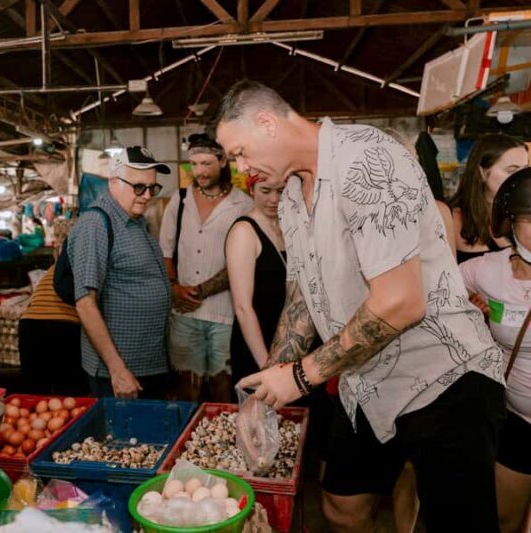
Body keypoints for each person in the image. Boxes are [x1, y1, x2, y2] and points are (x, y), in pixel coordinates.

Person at [216, 80, 505, 533]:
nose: (241, 168)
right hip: (369, 382)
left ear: (267, 123)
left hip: (444, 379)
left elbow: (401, 302)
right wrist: (267, 390)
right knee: (342, 507)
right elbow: (302, 297)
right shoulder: (291, 195)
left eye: (239, 152)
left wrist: (299, 376)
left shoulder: (365, 158)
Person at [460, 167, 531, 533]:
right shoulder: (486, 272)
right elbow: (434, 293)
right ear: (508, 223)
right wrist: (469, 314)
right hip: (517, 423)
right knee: (504, 519)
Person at [68, 146, 171, 399]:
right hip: (119, 372)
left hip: (147, 363)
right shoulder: (96, 224)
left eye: (152, 188)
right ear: (114, 182)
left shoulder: (135, 222)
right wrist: (118, 370)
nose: (147, 195)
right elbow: (85, 304)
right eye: (139, 187)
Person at [159, 133, 253, 402]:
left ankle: (219, 441)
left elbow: (245, 262)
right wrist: (174, 287)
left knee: (223, 388)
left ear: (223, 161)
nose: (199, 171)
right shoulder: (179, 200)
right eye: (195, 164)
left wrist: (201, 290)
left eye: (206, 163)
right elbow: (165, 253)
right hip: (184, 315)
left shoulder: (243, 206)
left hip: (225, 316)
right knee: (186, 388)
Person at [225, 172, 285, 386]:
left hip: (287, 341)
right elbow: (242, 307)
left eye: (281, 191)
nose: (274, 199)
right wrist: (265, 366)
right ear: (251, 190)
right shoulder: (244, 231)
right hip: (257, 341)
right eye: (265, 191)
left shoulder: (288, 226)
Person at [449, 134, 528, 264]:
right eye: (512, 171)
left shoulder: (524, 214)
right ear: (482, 173)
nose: (520, 178)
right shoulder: (451, 218)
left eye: (524, 170)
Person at [18, 265, 87, 396]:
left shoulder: (57, 267)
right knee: (70, 396)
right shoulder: (87, 262)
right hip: (63, 324)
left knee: (36, 395)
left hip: (29, 323)